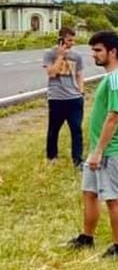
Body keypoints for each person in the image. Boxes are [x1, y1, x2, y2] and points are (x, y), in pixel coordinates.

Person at [67, 31, 118, 258]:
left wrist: (98, 152)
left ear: (112, 52)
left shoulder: (117, 79)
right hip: (99, 150)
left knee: (113, 198)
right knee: (89, 193)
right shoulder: (110, 77)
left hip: (111, 151)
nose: (93, 55)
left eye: (97, 50)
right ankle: (87, 237)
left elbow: (114, 117)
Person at [43, 26, 84, 167]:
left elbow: (79, 74)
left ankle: (77, 159)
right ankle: (51, 156)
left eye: (73, 40)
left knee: (76, 129)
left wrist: (81, 92)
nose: (72, 43)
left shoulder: (76, 56)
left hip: (74, 98)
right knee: (54, 129)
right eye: (69, 40)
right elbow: (52, 73)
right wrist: (60, 56)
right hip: (57, 98)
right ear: (61, 40)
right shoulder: (49, 54)